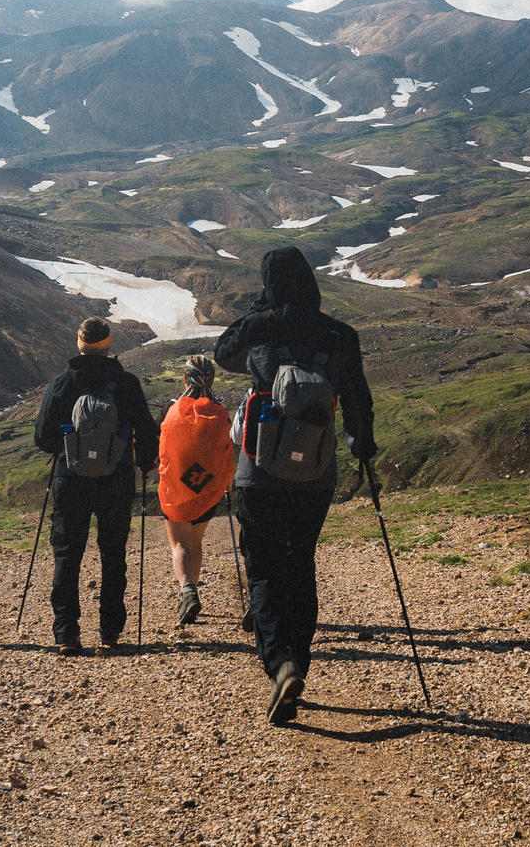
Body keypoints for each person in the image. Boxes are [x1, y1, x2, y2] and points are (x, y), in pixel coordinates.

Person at [215, 246, 376, 725]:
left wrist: (260, 310)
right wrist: (361, 445)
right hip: (317, 471)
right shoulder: (338, 334)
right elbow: (358, 398)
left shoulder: (262, 325)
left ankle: (280, 662)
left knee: (263, 566)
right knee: (300, 561)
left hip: (259, 469)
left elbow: (224, 355)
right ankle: (299, 663)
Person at [31, 316, 158, 656]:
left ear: (80, 344)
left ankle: (67, 634)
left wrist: (68, 449)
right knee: (113, 553)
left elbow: (42, 435)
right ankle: (110, 631)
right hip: (116, 478)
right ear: (109, 344)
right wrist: (145, 463)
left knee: (68, 553)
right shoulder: (127, 383)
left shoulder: (62, 382)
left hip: (70, 478)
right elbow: (147, 431)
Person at [156, 353, 236, 626]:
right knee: (196, 542)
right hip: (207, 488)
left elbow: (162, 450)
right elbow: (227, 452)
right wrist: (227, 482)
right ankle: (192, 589)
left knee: (179, 543)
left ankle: (187, 590)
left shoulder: (171, 411)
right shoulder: (220, 413)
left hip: (175, 489)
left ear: (185, 378)